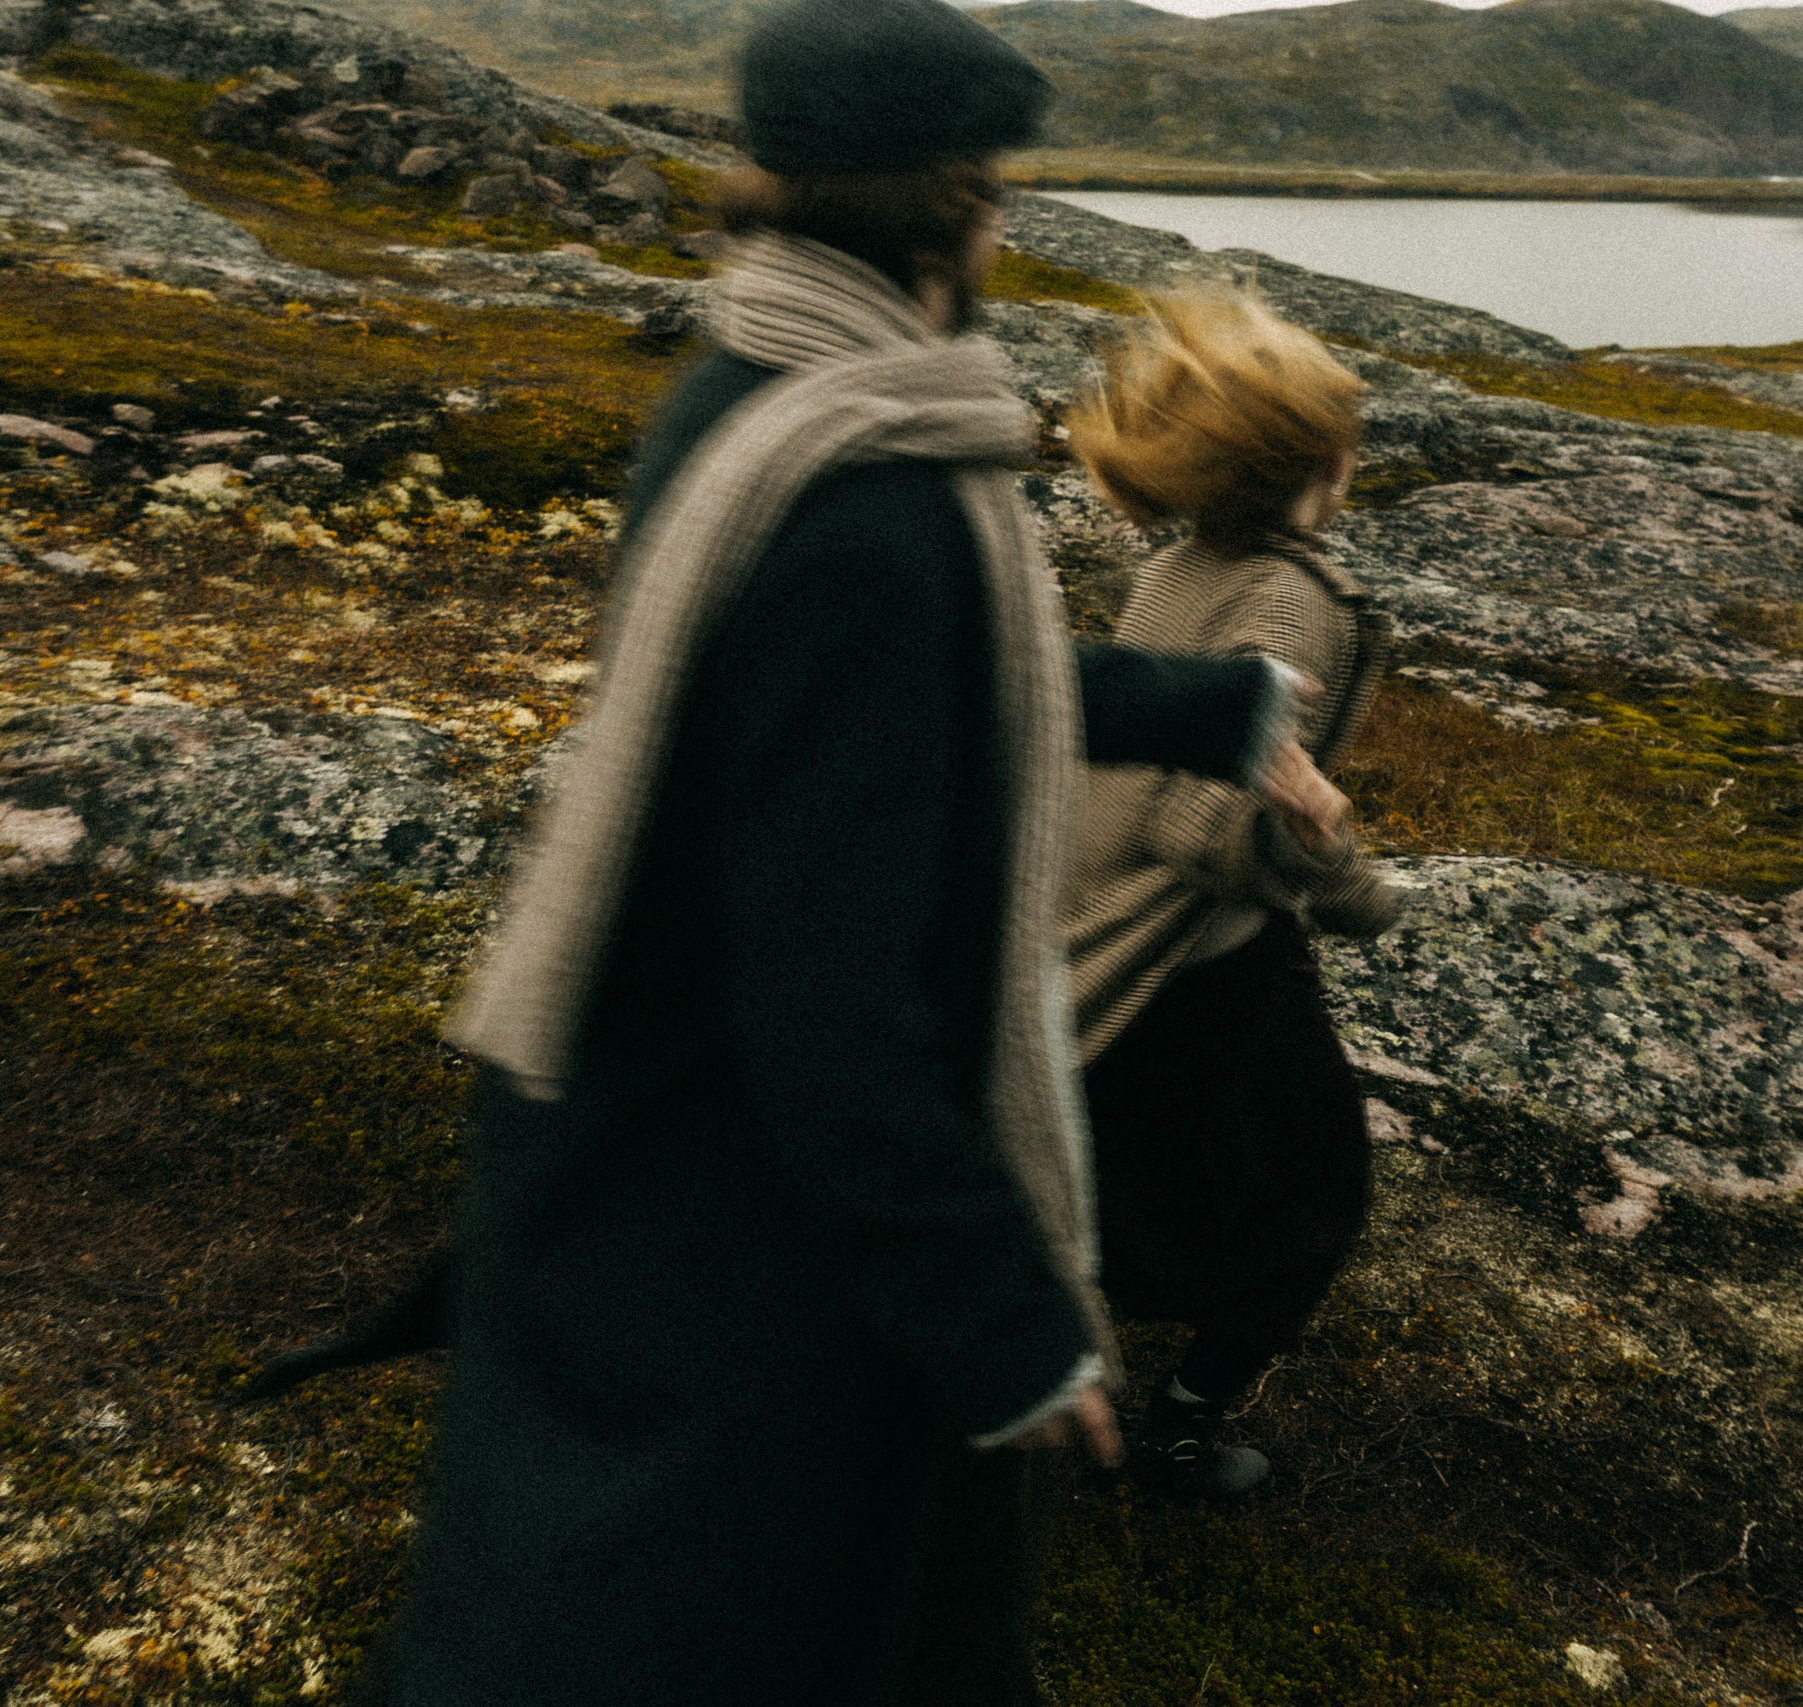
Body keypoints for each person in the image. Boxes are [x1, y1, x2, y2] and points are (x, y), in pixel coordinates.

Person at [359, 4, 1347, 1702]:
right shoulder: (866, 494)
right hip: (758, 1219)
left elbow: (929, 689)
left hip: (653, 1133)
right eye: (995, 194)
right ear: (957, 212)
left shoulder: (761, 399)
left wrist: (1212, 705)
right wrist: (1002, 1316)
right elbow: (830, 994)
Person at [1063, 293, 1407, 1501]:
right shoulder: (1289, 599)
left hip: (1097, 934)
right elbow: (1208, 824)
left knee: (1118, 1177)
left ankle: (1067, 1379)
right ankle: (1173, 1436)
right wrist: (1351, 877)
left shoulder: (1177, 565)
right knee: (1310, 1200)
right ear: (1317, 461)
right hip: (1199, 959)